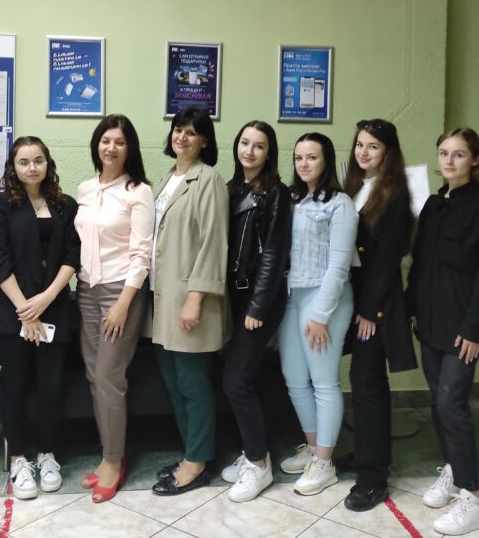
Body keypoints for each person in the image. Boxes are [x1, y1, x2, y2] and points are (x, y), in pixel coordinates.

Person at [405, 128, 479, 535]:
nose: (449, 161)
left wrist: (476, 328)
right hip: (430, 317)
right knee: (437, 400)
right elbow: (421, 261)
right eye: (444, 153)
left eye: (459, 154)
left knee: (452, 403)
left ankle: (472, 498)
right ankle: (452, 469)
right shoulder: (432, 204)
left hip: (465, 324)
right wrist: (412, 307)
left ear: (476, 160)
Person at [0, 136, 80, 499]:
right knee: (14, 385)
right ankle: (18, 459)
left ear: (48, 163)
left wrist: (46, 299)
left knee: (50, 385)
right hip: (12, 311)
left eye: (38, 160)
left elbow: (73, 254)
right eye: (24, 162)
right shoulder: (1, 205)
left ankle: (47, 454)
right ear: (13, 167)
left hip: (53, 306)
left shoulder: (65, 205)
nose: (32, 167)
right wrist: (26, 311)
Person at [149, 107, 229, 496]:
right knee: (174, 382)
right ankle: (191, 455)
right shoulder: (167, 179)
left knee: (192, 383)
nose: (182, 136)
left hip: (188, 300)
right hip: (162, 298)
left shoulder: (208, 180)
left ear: (204, 141)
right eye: (178, 129)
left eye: (192, 132)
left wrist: (194, 299)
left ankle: (198, 462)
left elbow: (214, 242)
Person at [75, 114, 154, 503]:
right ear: (96, 145)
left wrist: (124, 302)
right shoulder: (85, 189)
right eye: (105, 141)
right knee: (95, 376)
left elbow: (142, 253)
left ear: (130, 149)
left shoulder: (139, 192)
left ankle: (113, 460)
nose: (111, 148)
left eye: (119, 142)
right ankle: (109, 453)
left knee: (109, 377)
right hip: (86, 290)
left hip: (121, 292)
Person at [343, 118, 417, 512]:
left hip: (375, 305)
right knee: (362, 381)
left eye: (373, 146)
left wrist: (371, 311)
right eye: (360, 145)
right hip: (354, 299)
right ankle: (365, 455)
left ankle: (373, 479)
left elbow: (388, 259)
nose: (364, 152)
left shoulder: (395, 193)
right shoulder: (354, 187)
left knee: (367, 382)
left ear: (387, 152)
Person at [278, 132, 358, 497]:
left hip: (325, 300)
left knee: (323, 381)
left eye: (312, 157)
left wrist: (321, 314)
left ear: (325, 161)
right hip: (293, 296)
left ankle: (325, 463)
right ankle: (313, 449)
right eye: (299, 157)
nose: (304, 163)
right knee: (294, 377)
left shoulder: (340, 204)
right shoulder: (293, 200)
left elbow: (340, 265)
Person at [219, 121, 291, 502]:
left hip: (258, 300)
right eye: (244, 143)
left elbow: (274, 253)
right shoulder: (232, 189)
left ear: (269, 153)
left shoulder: (275, 193)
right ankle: (252, 452)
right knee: (246, 377)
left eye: (258, 146)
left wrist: (258, 306)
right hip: (232, 297)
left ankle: (259, 465)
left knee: (236, 380)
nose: (249, 151)